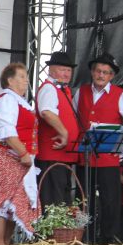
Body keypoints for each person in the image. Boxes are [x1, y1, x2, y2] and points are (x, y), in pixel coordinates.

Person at [74, 53, 123, 245]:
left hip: (108, 157)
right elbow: (74, 118)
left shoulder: (120, 95)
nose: (101, 75)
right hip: (85, 157)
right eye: (98, 71)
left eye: (105, 72)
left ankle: (108, 240)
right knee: (83, 200)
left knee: (110, 201)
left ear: (111, 76)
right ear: (92, 72)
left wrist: (122, 142)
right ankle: (83, 237)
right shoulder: (81, 92)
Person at [0, 62, 40, 245]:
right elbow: (6, 130)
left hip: (16, 159)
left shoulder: (19, 102)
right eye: (21, 76)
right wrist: (23, 152)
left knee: (13, 203)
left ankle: (5, 244)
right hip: (3, 156)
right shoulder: (7, 99)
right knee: (0, 202)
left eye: (26, 76)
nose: (26, 80)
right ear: (10, 81)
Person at [35, 51, 81, 208]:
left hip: (62, 156)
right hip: (51, 156)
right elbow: (46, 112)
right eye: (62, 69)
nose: (67, 73)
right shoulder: (49, 88)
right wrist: (64, 132)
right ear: (51, 70)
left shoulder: (61, 89)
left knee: (61, 202)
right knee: (53, 202)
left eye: (69, 70)